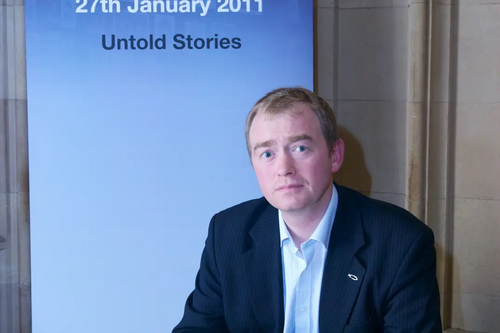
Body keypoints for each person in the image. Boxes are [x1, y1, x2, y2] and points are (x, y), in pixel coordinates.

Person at [173, 87, 442, 333]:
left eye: (300, 148)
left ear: (334, 155)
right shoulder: (227, 233)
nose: (284, 168)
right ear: (253, 164)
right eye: (267, 154)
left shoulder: (402, 242)